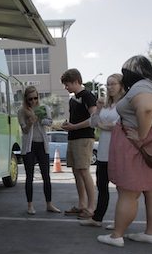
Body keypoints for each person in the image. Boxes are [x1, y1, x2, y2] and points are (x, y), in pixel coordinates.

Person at [98, 55, 152, 247]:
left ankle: (117, 236)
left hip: (137, 146)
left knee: (128, 192)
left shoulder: (141, 87)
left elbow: (147, 109)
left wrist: (141, 135)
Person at [80, 74, 125, 228]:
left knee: (122, 189)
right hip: (103, 152)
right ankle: (97, 219)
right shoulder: (104, 104)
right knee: (102, 186)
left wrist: (104, 125)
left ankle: (120, 221)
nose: (110, 87)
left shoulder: (124, 105)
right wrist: (98, 110)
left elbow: (119, 126)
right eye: (108, 84)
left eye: (113, 84)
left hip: (118, 152)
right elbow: (93, 123)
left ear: (121, 85)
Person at [60, 68, 97, 219]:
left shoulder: (88, 95)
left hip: (84, 138)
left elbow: (94, 119)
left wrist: (74, 127)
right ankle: (82, 204)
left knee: (83, 170)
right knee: (76, 171)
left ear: (76, 81)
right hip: (73, 138)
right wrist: (68, 125)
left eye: (67, 84)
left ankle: (91, 207)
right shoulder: (72, 99)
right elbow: (77, 118)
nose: (66, 87)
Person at [18, 86, 61, 215]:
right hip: (29, 146)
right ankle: (30, 205)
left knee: (46, 176)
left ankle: (49, 204)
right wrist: (30, 122)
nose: (33, 101)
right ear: (26, 99)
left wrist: (42, 120)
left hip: (42, 145)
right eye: (30, 99)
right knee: (29, 176)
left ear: (38, 97)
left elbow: (50, 123)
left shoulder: (44, 108)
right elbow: (24, 130)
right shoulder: (22, 111)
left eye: (35, 98)